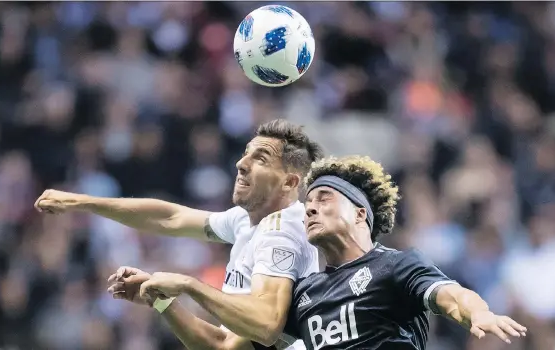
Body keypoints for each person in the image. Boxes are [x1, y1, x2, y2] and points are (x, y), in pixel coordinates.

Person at [125, 155, 527, 350]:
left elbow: (450, 296)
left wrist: (479, 312)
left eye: (323, 198)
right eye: (308, 201)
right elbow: (220, 346)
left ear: (359, 213)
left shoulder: (396, 266)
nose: (310, 208)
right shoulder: (303, 296)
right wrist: (166, 303)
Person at [35, 119, 324, 349]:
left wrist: (189, 285)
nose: (241, 164)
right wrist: (83, 202)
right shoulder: (247, 221)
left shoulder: (281, 232)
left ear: (289, 182)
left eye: (260, 159)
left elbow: (266, 325)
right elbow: (170, 218)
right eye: (245, 153)